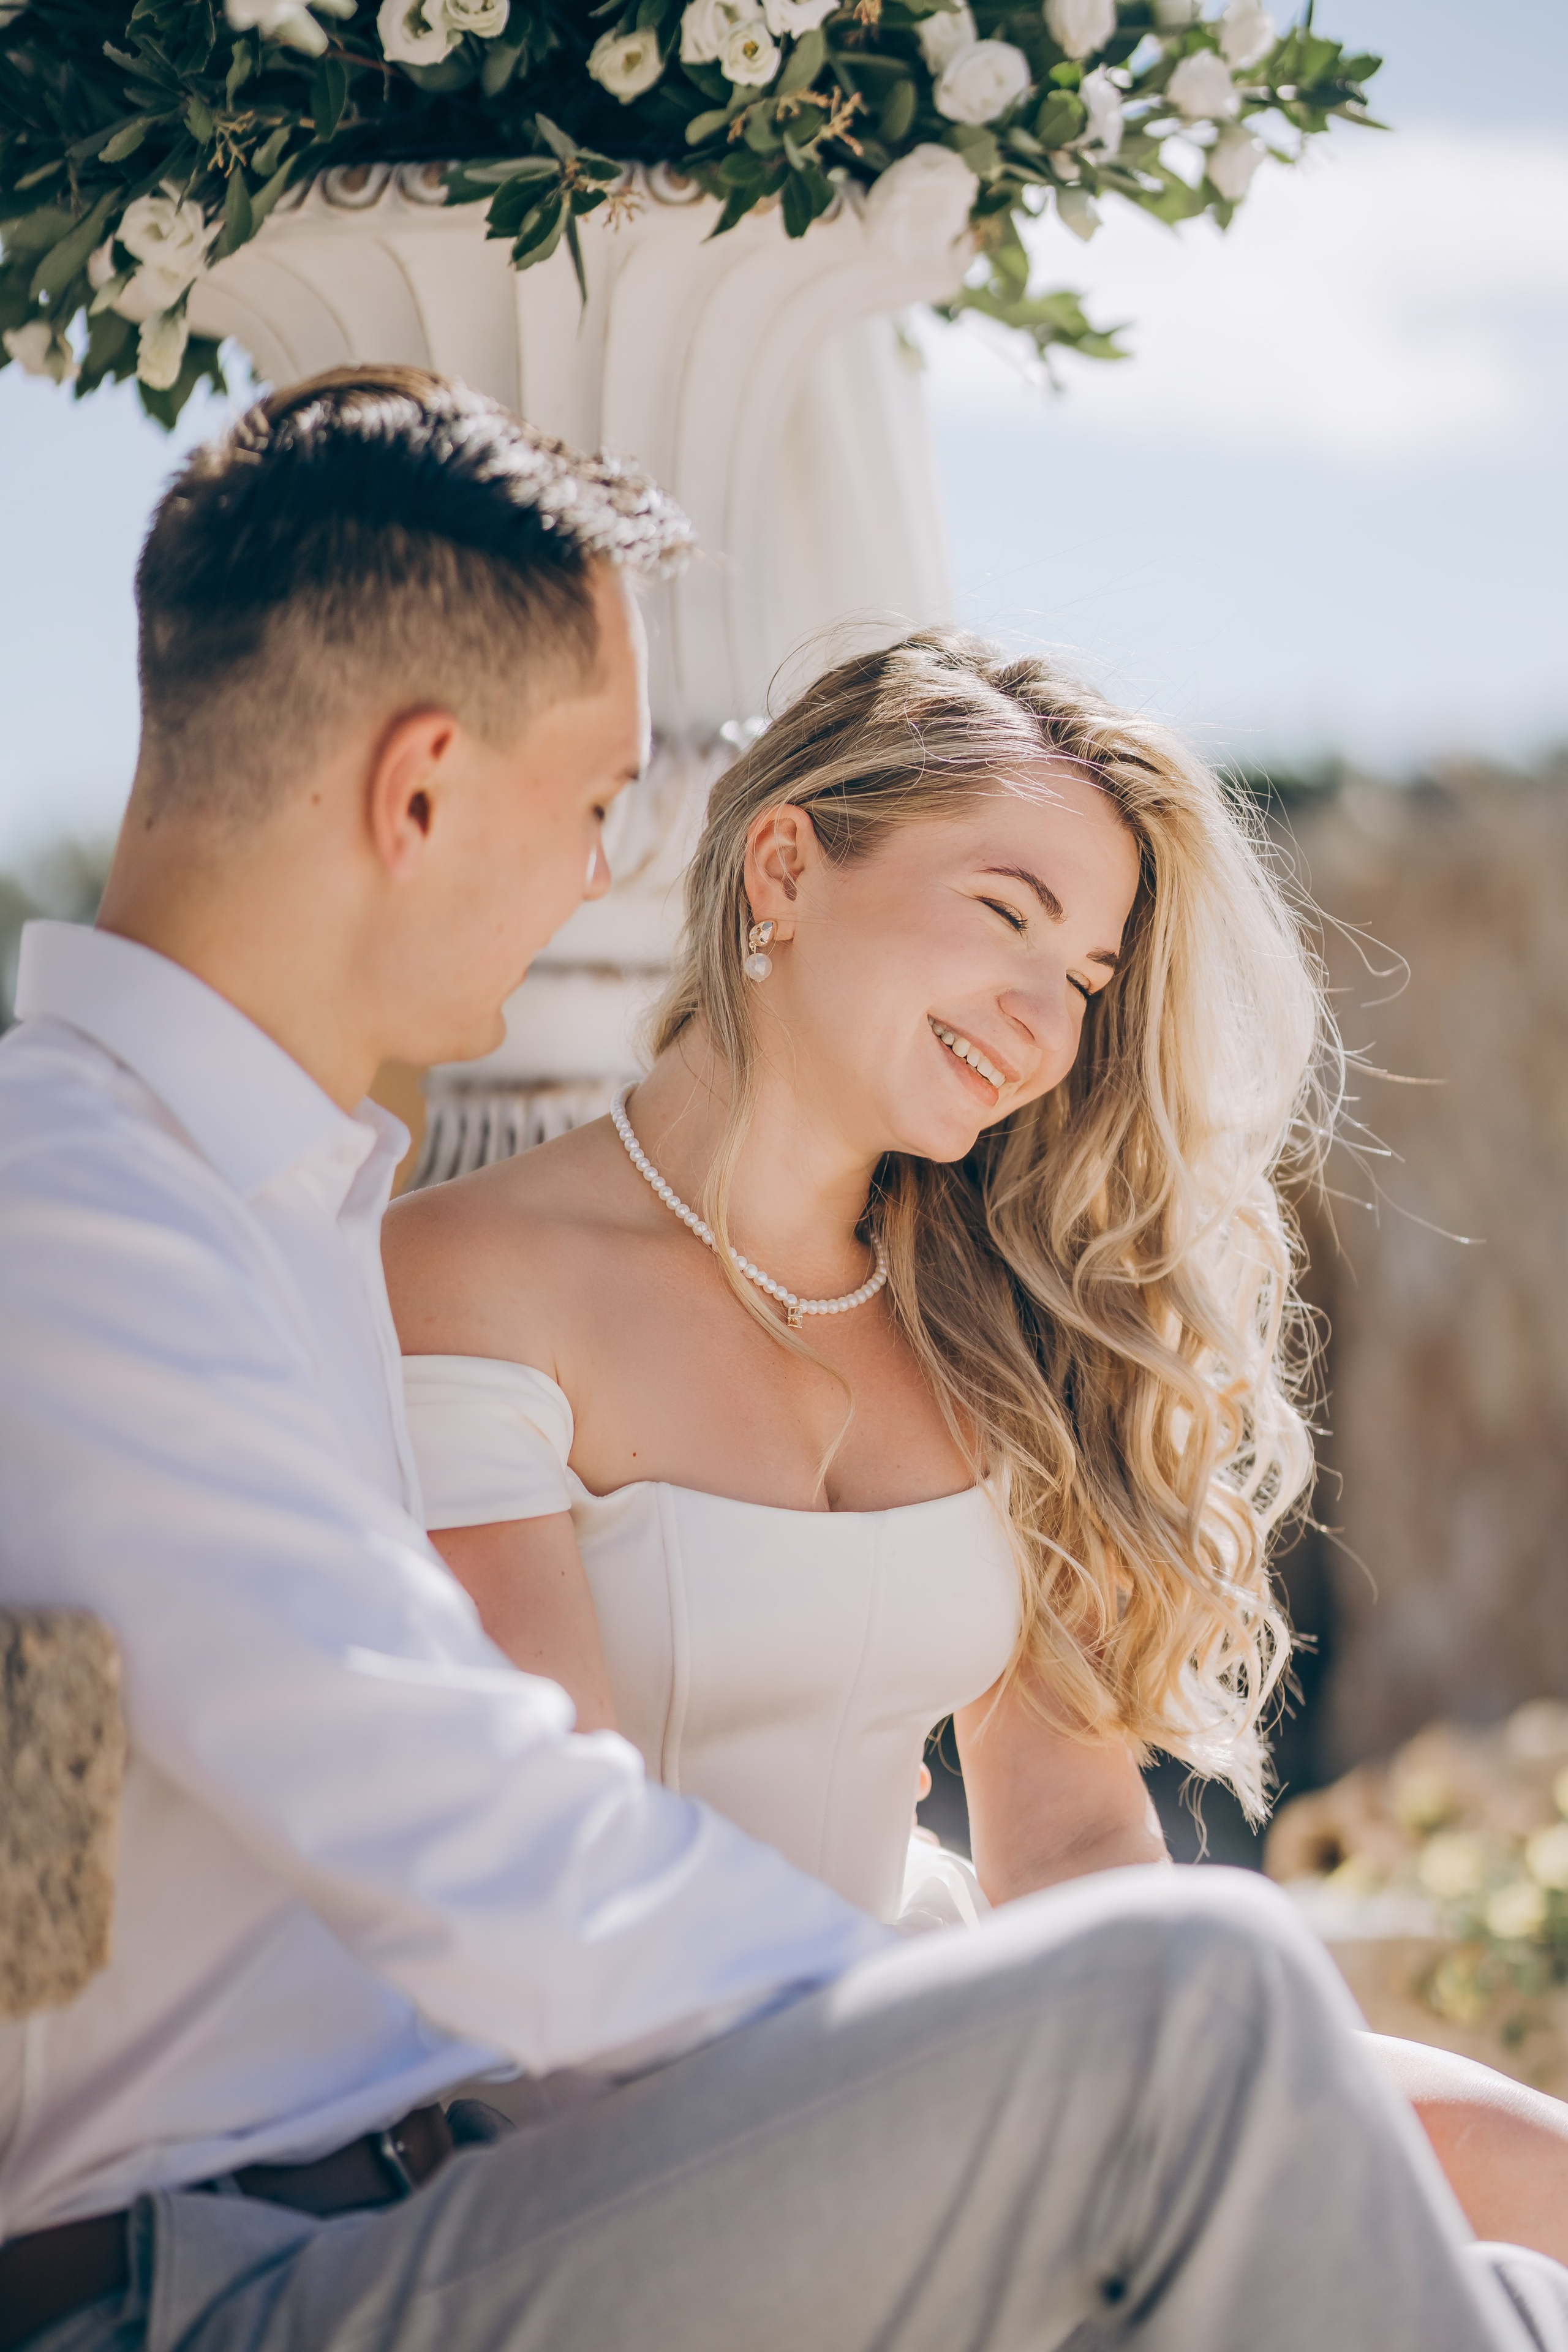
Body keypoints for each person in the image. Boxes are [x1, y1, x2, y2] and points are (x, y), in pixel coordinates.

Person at [0, 364, 1562, 2352]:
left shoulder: (267, 1204)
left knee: (1479, 2266)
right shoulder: (86, 1225)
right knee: (1199, 2014)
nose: (595, 878)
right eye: (590, 806)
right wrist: (984, 2065)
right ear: (415, 791)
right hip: (222, 2272)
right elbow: (485, 1858)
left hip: (400, 2206)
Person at [384, 627, 1568, 2263]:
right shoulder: (469, 1276)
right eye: (1006, 914)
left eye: (1085, 977)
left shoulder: (992, 1319)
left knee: (1532, 2173)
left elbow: (1073, 1840)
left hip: (957, 2042)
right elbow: (560, 1883)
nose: (1043, 1020)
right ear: (786, 867)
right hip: (620, 2122)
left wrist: (1108, 2076)